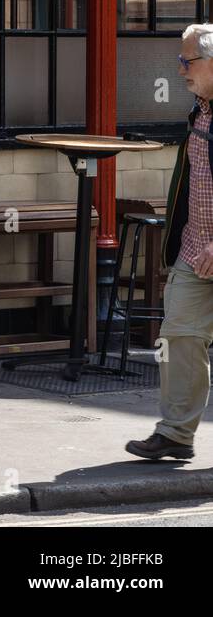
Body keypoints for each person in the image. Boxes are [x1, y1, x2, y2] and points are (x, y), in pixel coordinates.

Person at [127, 24, 213, 460]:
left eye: (187, 61)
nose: (180, 70)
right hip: (195, 251)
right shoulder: (201, 111)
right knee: (179, 335)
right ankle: (177, 434)